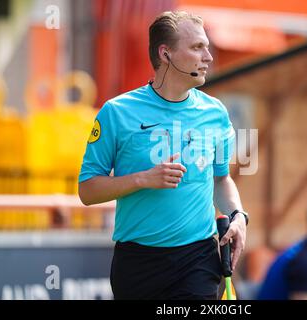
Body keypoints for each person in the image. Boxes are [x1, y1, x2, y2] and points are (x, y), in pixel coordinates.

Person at [78, 11, 248, 300]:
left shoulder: (215, 112)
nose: (208, 56)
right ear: (165, 53)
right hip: (138, 263)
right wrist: (144, 178)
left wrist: (238, 215)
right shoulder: (117, 112)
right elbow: (87, 190)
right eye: (197, 47)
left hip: (198, 258)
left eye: (206, 47)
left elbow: (221, 179)